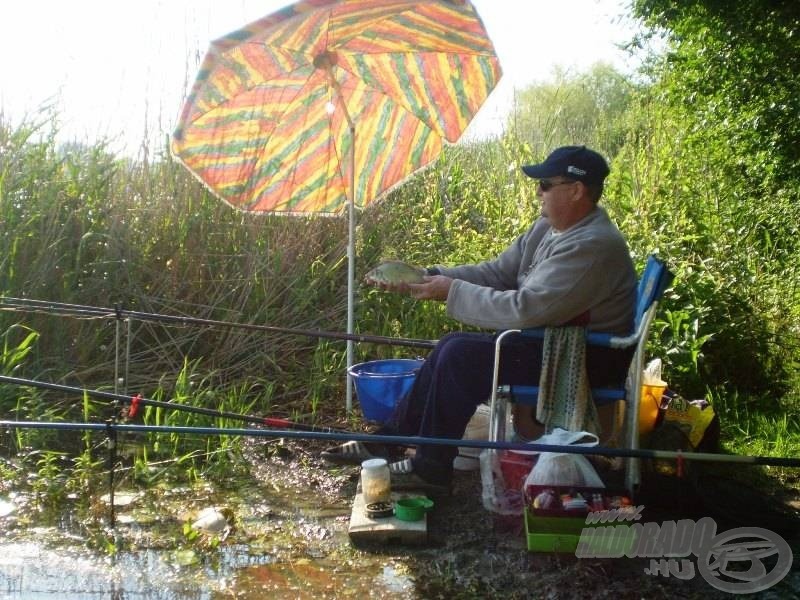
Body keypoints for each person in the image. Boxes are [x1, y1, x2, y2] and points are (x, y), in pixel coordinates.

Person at [325, 145, 638, 495]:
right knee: (450, 346)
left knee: (460, 358)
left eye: (546, 184)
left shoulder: (594, 246)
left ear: (577, 190)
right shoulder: (546, 229)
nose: (539, 192)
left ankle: (430, 469)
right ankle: (388, 441)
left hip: (583, 358)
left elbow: (527, 308)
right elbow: (498, 272)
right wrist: (429, 276)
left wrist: (452, 291)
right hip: (550, 342)